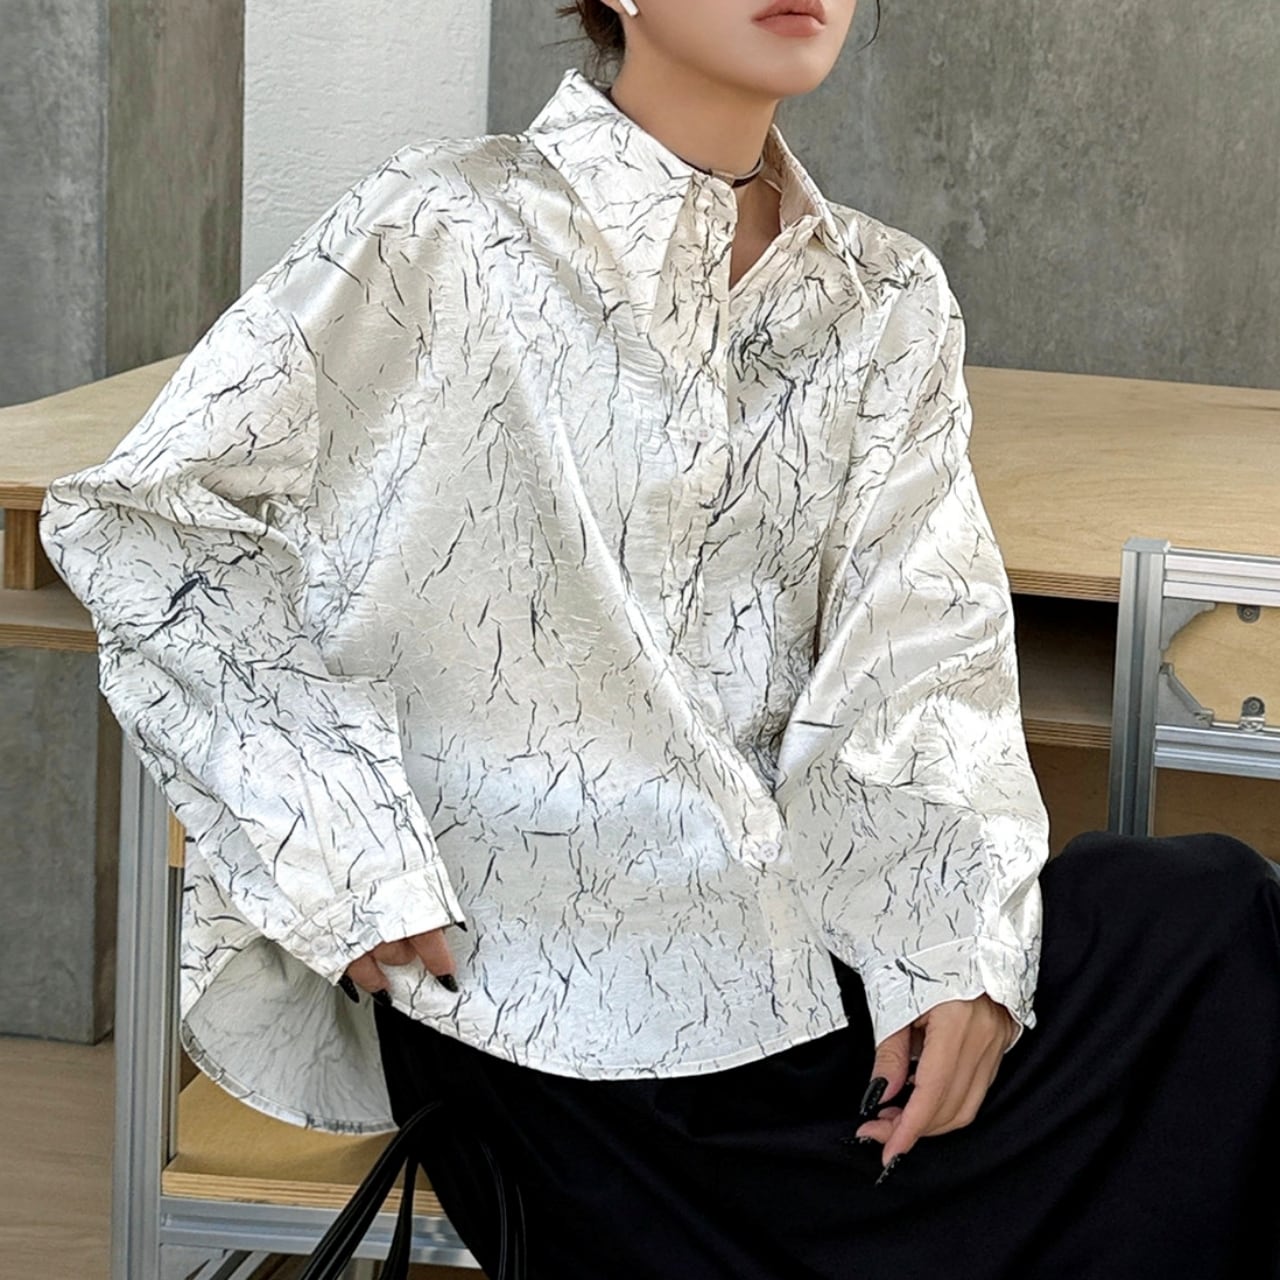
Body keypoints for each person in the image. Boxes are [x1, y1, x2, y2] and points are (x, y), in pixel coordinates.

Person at [38, 0, 1280, 1276]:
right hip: (533, 1004)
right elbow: (147, 522)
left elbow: (916, 651)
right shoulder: (443, 227)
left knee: (1211, 926)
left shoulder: (883, 296)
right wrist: (340, 838)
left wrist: (954, 949)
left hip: (805, 967)